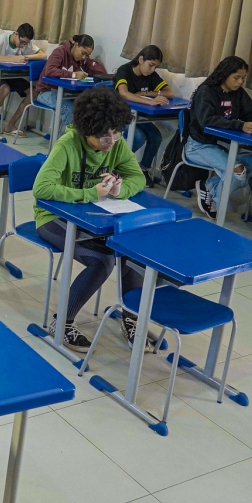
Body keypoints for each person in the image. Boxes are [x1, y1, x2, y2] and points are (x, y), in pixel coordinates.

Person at [32, 88, 146, 352]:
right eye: (104, 137)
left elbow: (137, 177)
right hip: (53, 218)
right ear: (87, 131)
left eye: (116, 133)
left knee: (133, 252)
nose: (112, 141)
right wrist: (89, 194)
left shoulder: (116, 143)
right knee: (102, 261)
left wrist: (120, 190)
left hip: (95, 219)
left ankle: (131, 318)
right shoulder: (67, 145)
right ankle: (62, 322)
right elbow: (42, 188)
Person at [185, 56, 252, 219]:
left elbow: (251, 112)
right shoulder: (207, 91)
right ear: (224, 75)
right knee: (237, 171)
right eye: (236, 78)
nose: (240, 82)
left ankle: (209, 187)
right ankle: (217, 206)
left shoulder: (238, 93)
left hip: (222, 145)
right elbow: (206, 121)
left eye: (243, 78)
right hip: (199, 146)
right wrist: (239, 125)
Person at [113, 45, 172, 181]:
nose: (152, 70)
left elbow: (169, 92)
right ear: (141, 60)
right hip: (119, 114)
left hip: (137, 115)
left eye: (156, 67)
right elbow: (124, 93)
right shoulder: (124, 70)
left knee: (156, 136)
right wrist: (150, 101)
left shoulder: (151, 75)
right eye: (151, 65)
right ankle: (116, 165)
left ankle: (143, 168)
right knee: (138, 136)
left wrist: (145, 93)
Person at [33, 33, 105, 127]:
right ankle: (70, 136)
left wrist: (90, 63)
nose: (84, 57)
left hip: (65, 93)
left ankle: (78, 134)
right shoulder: (60, 52)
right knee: (71, 110)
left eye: (87, 55)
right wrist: (74, 74)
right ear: (76, 45)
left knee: (88, 108)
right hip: (46, 92)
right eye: (83, 53)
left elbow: (101, 72)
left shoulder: (82, 60)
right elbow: (49, 71)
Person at [0, 23, 40, 135]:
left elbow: (42, 55)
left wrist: (25, 57)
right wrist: (12, 58)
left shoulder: (26, 43)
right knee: (5, 89)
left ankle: (10, 125)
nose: (23, 45)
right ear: (16, 34)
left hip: (11, 75)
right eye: (22, 42)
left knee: (34, 92)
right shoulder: (3, 39)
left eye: (26, 43)